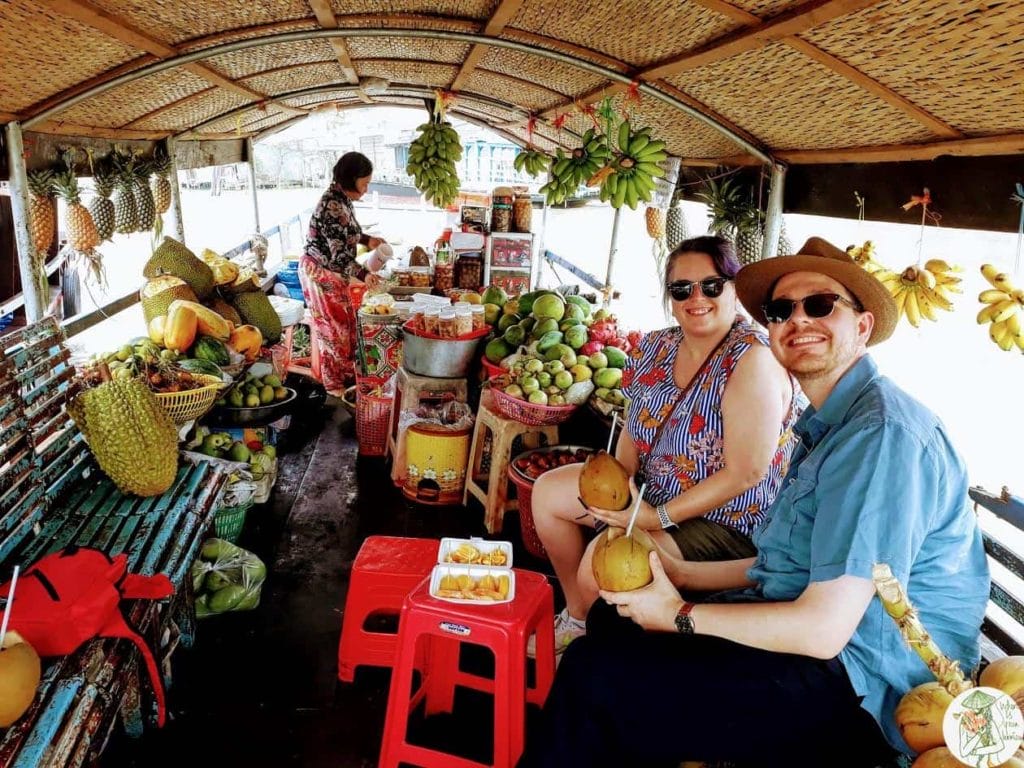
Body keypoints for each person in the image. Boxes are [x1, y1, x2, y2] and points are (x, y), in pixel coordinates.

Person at [518, 238, 990, 768]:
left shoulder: (880, 436)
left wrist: (679, 614)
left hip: (866, 685)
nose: (798, 320)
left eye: (820, 305)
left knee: (595, 676)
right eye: (782, 309)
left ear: (862, 326)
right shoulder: (830, 424)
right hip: (815, 639)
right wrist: (685, 575)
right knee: (611, 623)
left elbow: (822, 629)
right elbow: (796, 568)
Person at [530, 235, 800, 654]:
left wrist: (656, 518)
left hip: (725, 519)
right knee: (548, 493)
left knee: (595, 566)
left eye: (712, 286)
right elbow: (635, 428)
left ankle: (585, 636)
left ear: (734, 290)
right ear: (669, 296)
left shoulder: (752, 360)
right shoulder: (657, 346)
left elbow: (747, 471)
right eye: (682, 288)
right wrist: (620, 490)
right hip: (653, 495)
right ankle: (577, 616)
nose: (698, 298)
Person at [300, 151, 388, 396]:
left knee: (346, 324)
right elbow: (339, 255)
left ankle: (346, 376)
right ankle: (334, 387)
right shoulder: (332, 205)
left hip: (333, 269)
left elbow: (347, 232)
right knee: (333, 329)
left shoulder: (342, 199)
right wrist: (364, 274)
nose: (366, 189)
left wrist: (368, 240)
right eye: (365, 183)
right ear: (351, 179)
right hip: (321, 271)